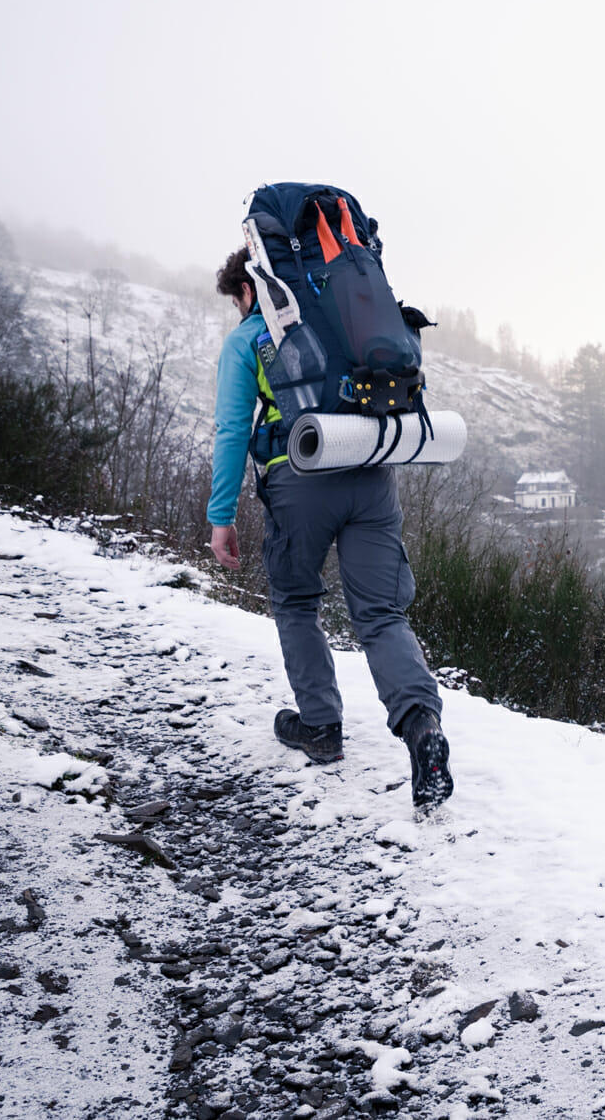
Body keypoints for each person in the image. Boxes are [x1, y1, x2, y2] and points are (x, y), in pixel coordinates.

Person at [206, 246, 454, 810]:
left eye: (238, 299)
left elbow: (229, 431)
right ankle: (422, 729)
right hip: (371, 472)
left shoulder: (249, 338)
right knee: (382, 613)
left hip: (302, 476)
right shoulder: (346, 323)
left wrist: (220, 518)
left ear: (250, 289)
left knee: (296, 601)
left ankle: (320, 727)